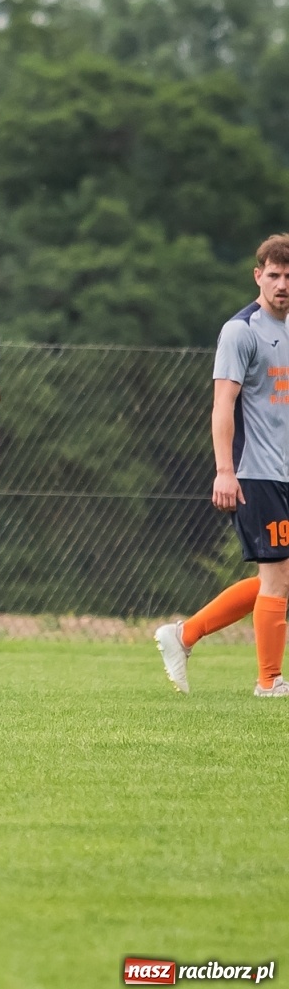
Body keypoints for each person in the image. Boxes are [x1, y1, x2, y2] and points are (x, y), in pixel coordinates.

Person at [155, 234, 289, 697]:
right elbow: (222, 405)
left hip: (286, 472)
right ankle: (270, 682)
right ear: (258, 275)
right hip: (257, 472)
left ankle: (184, 635)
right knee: (278, 575)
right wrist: (224, 470)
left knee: (277, 577)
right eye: (274, 275)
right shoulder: (241, 330)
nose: (282, 284)